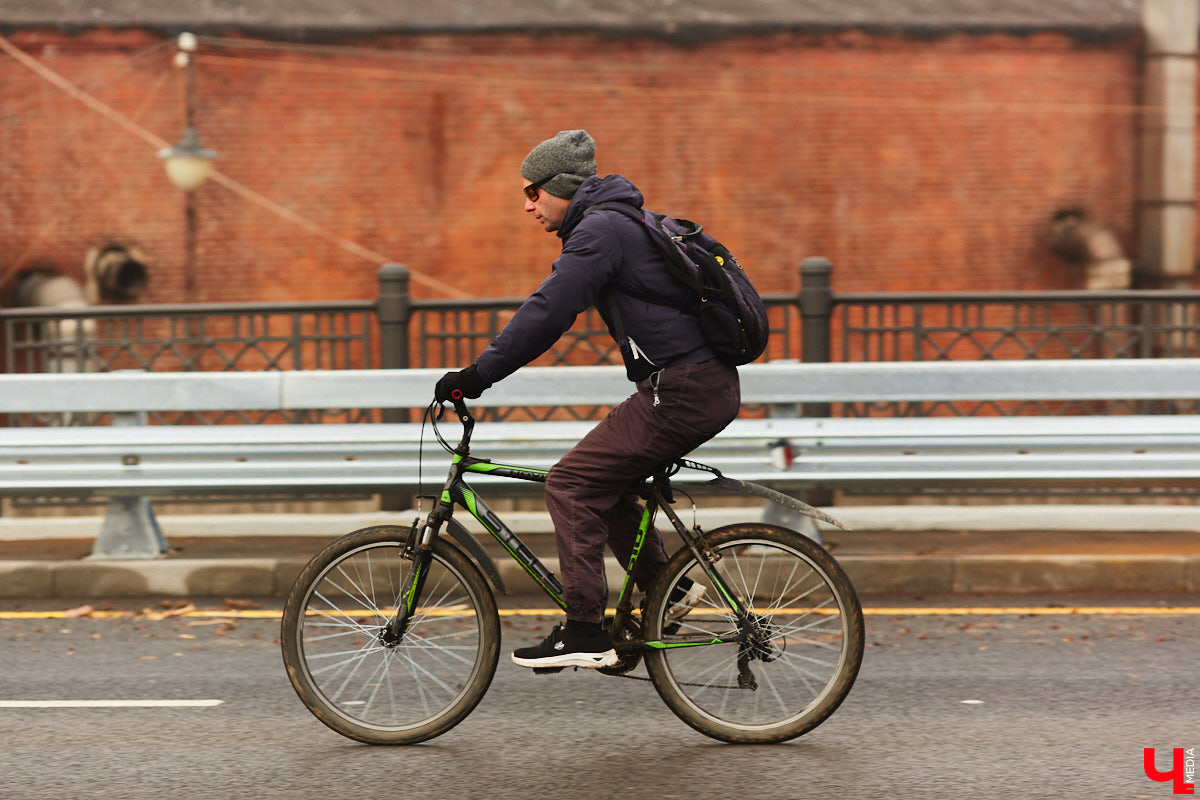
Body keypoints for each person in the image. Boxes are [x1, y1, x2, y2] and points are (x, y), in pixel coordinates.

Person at [434, 129, 741, 669]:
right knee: (605, 483)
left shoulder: (599, 231)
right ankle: (669, 590)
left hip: (684, 390)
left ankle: (584, 630)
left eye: (532, 193)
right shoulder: (615, 223)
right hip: (688, 385)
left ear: (563, 187)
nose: (527, 206)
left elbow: (548, 311)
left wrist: (478, 375)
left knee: (570, 482)